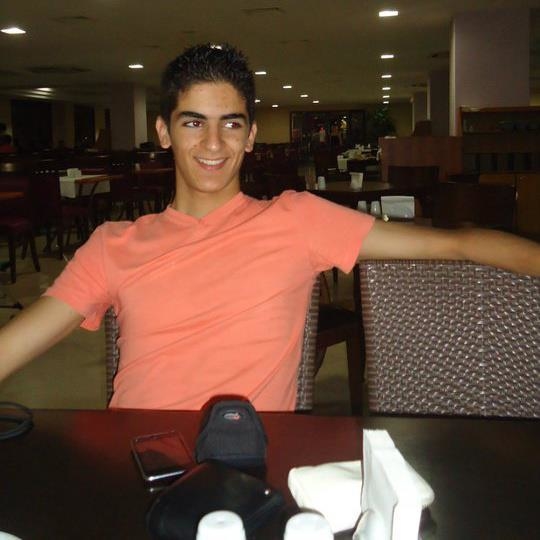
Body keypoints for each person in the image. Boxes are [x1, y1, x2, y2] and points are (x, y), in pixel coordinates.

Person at [0, 44, 539, 411]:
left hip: (251, 475)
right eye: (194, 123)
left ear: (251, 135)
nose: (213, 144)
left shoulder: (298, 220)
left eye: (230, 124)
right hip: (138, 467)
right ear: (164, 132)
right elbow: (19, 342)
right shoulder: (111, 245)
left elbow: (460, 243)